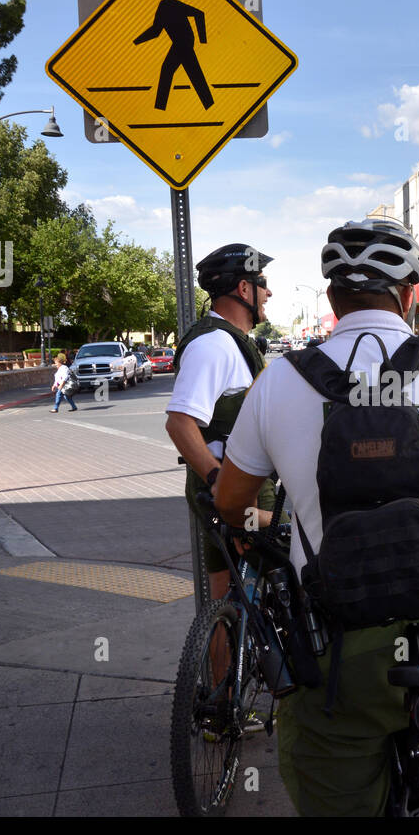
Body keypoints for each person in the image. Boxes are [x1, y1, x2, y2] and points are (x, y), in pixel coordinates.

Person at [214, 217, 419, 816]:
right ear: (410, 293)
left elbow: (230, 503)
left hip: (334, 641)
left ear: (331, 298)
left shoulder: (279, 380)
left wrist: (279, 521)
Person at [165, 243, 275, 601]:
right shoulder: (214, 345)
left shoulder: (233, 342)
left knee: (225, 597)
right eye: (262, 283)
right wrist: (218, 478)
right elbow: (180, 423)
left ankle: (229, 653)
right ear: (243, 289)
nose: (268, 293)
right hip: (240, 490)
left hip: (235, 488)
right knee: (294, 553)